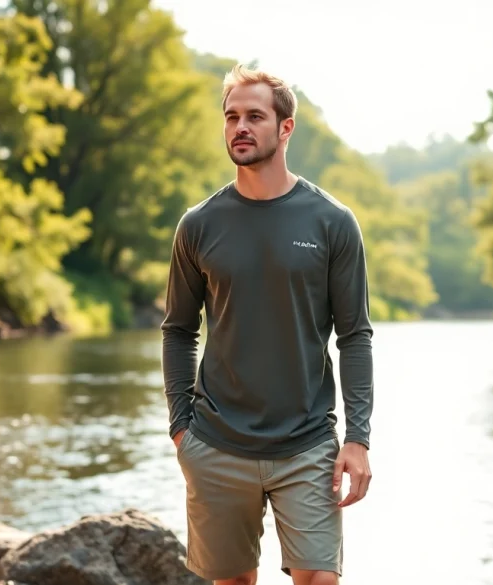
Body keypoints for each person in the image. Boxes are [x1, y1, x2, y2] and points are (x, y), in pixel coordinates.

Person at [160, 62, 374, 585]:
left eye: (254, 116)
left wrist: (359, 438)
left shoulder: (332, 222)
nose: (240, 127)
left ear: (285, 128)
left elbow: (354, 336)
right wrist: (181, 427)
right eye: (231, 116)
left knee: (320, 579)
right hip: (215, 442)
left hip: (307, 444)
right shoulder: (199, 225)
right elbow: (178, 330)